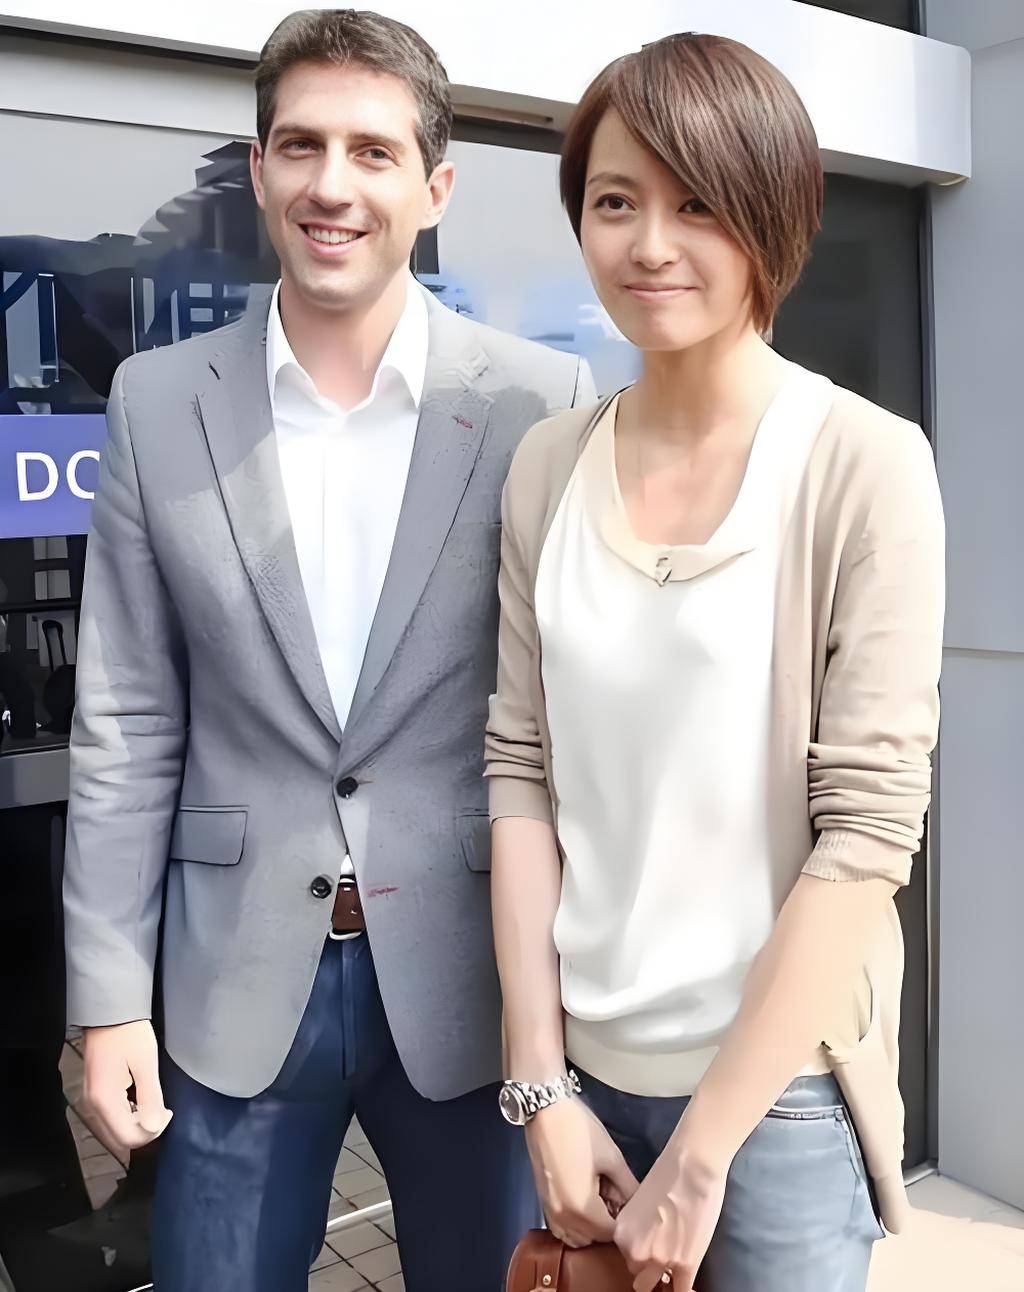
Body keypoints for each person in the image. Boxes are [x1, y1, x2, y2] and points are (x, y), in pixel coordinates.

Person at [62, 10, 595, 1291]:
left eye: (372, 150)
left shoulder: (540, 403)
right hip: (234, 978)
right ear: (259, 173)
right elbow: (129, 716)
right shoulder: (157, 400)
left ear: (435, 187)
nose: (331, 184)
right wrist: (107, 996)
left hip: (472, 978)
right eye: (300, 145)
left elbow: (570, 722)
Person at [486, 32, 944, 1292]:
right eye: (614, 201)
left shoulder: (862, 461)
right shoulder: (547, 465)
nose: (649, 244)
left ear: (771, 215)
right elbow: (519, 769)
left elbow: (867, 829)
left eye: (697, 203)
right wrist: (539, 1083)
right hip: (582, 1085)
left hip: (779, 1103)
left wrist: (701, 1155)